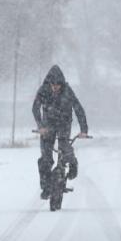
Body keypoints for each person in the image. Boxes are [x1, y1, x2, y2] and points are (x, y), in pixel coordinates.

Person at [32, 65, 88, 200]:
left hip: (64, 123)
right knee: (45, 158)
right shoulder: (43, 90)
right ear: (49, 83)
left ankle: (72, 162)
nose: (55, 87)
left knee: (64, 148)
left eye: (58, 85)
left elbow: (78, 109)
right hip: (48, 125)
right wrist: (40, 126)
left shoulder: (68, 91)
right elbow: (35, 108)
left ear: (62, 84)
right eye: (53, 84)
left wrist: (83, 130)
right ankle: (46, 187)